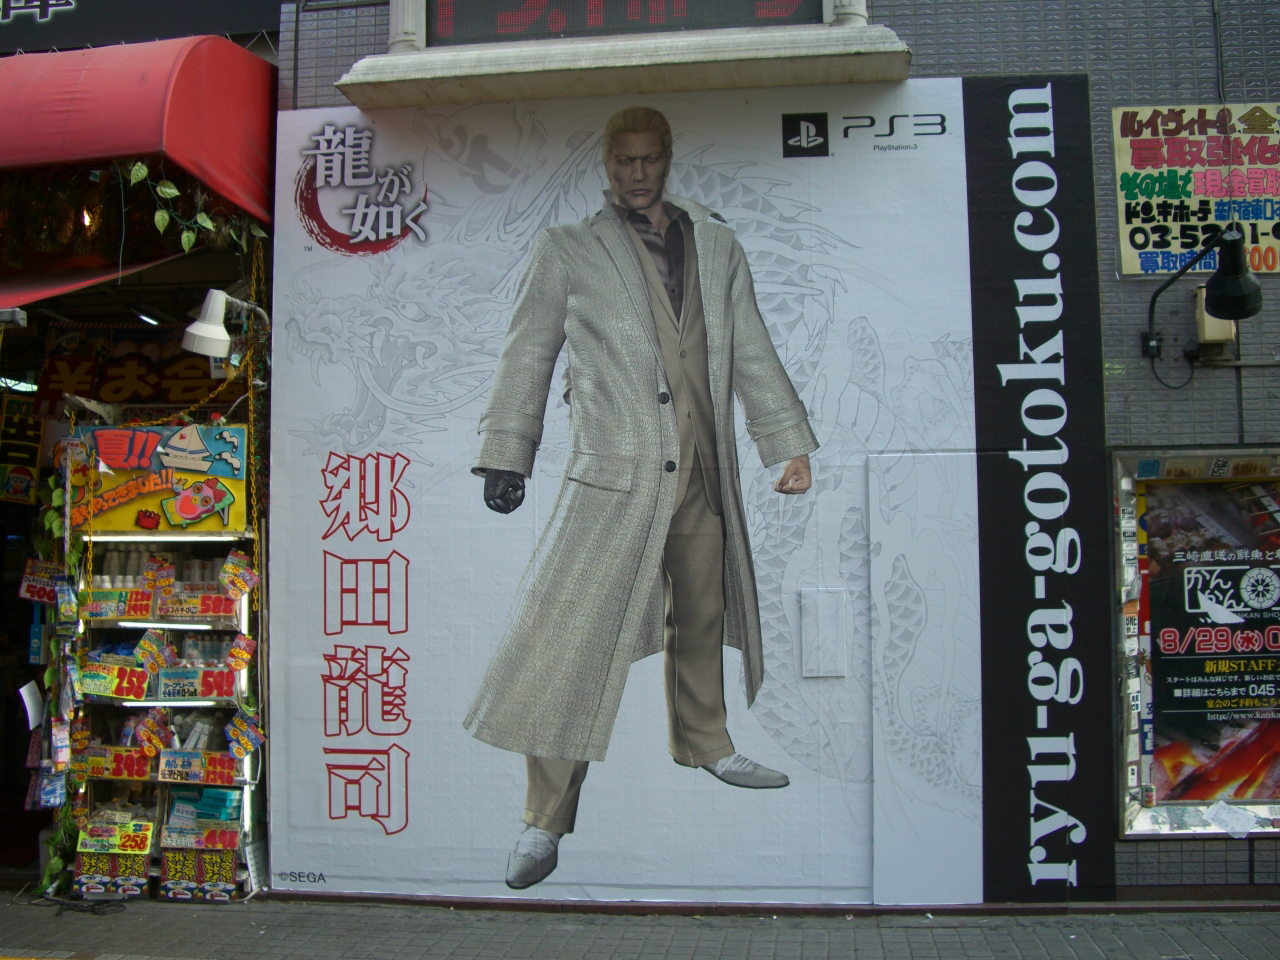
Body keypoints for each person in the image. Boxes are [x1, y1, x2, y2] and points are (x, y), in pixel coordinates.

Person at [466, 106, 818, 890]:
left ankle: (706, 743)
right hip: (612, 478)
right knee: (571, 643)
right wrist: (506, 455)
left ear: (666, 159)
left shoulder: (717, 245)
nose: (636, 172)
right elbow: (527, 352)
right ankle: (544, 818)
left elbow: (751, 346)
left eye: (648, 159)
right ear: (606, 162)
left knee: (702, 615)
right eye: (623, 160)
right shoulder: (568, 249)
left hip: (701, 471)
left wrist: (785, 442)